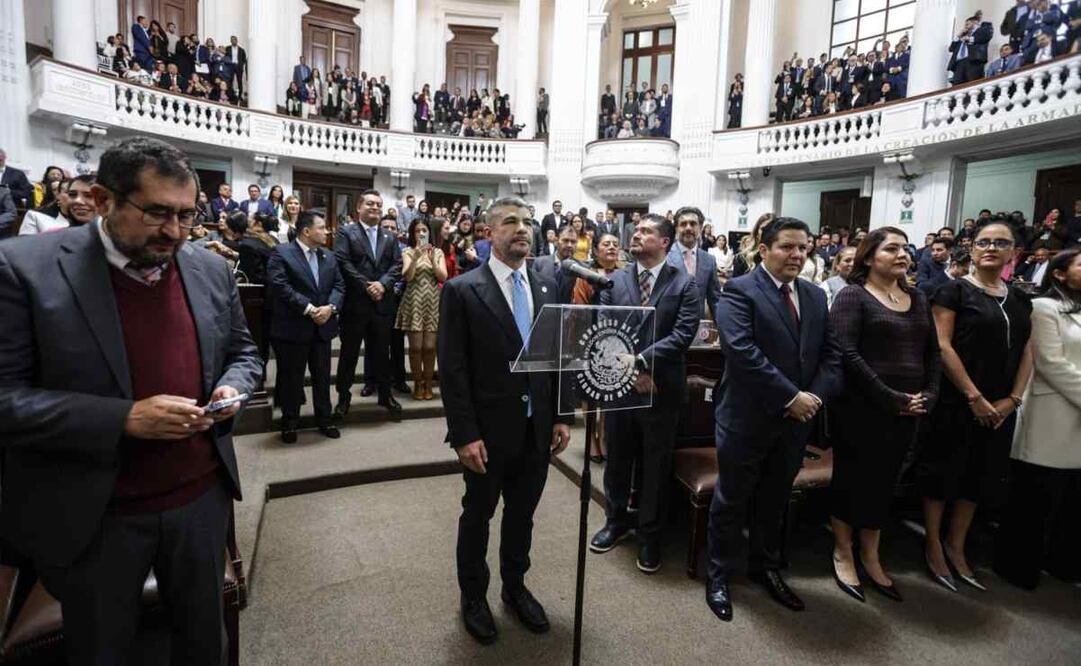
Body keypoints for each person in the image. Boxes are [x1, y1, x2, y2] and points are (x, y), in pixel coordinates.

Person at [0, 136, 261, 664]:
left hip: (200, 504)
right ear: (102, 200)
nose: (175, 231)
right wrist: (124, 419)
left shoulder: (209, 269)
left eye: (187, 215)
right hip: (97, 516)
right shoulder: (23, 268)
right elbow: (6, 399)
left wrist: (234, 385)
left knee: (205, 645)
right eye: (157, 213)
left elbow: (244, 352)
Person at [437, 196, 572, 645]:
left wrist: (561, 415)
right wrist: (465, 434)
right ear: (488, 232)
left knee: (522, 517)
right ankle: (473, 598)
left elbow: (558, 357)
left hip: (536, 429)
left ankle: (515, 589)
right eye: (511, 222)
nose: (522, 229)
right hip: (487, 434)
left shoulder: (548, 285)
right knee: (478, 517)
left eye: (528, 222)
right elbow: (453, 369)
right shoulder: (462, 289)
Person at [705, 217, 843, 622]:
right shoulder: (740, 291)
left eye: (804, 247)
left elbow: (832, 356)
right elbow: (741, 351)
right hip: (747, 418)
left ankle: (764, 567)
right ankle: (718, 575)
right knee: (731, 500)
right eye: (787, 246)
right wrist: (790, 396)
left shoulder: (816, 296)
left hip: (796, 422)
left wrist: (812, 397)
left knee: (774, 500)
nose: (797, 255)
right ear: (763, 250)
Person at [917, 218, 1034, 592]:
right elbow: (943, 346)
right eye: (984, 241)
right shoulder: (952, 291)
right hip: (959, 399)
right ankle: (934, 543)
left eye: (1001, 243)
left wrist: (1012, 399)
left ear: (1013, 252)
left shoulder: (1019, 299)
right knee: (944, 473)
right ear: (972, 248)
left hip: (1001, 405)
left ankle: (957, 544)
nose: (991, 248)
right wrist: (975, 396)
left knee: (980, 476)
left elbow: (1028, 350)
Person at [828, 228, 941, 603]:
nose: (902, 254)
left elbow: (932, 354)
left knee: (885, 482)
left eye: (905, 248)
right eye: (891, 248)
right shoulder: (852, 296)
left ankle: (871, 554)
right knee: (852, 478)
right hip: (862, 407)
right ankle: (844, 551)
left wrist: (929, 394)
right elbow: (847, 353)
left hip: (908, 408)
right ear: (868, 256)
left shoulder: (917, 297)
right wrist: (890, 396)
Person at [588, 213, 698, 574]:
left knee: (655, 467)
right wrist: (631, 368)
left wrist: (643, 363)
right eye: (636, 231)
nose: (636, 235)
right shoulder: (615, 280)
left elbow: (682, 336)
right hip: (621, 387)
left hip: (661, 389)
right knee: (618, 459)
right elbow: (605, 325)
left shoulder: (684, 284)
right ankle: (615, 521)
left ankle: (651, 535)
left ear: (665, 242)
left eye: (646, 231)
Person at [994, 249, 1081, 589]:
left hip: (1075, 415)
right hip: (1052, 412)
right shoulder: (1044, 308)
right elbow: (1051, 364)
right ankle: (1017, 567)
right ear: (1059, 273)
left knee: (1071, 501)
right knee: (1036, 498)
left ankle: (1063, 563)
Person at [266, 211, 344, 443]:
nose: (326, 231)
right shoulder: (281, 253)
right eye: (321, 227)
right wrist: (309, 309)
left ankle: (325, 418)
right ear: (307, 231)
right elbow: (280, 285)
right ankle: (290, 422)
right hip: (293, 327)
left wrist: (331, 307)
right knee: (292, 377)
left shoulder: (329, 256)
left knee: (322, 377)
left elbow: (339, 285)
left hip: (323, 327)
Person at [334, 189, 403, 414]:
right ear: (359, 207)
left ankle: (385, 395)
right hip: (355, 305)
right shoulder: (346, 232)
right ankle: (343, 399)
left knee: (382, 354)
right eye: (370, 204)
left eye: (378, 205)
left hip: (382, 305)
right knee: (349, 355)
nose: (375, 208)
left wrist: (382, 285)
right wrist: (367, 286)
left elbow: (397, 265)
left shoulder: (390, 236)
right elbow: (343, 262)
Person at [396, 219, 447, 400]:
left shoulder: (438, 251)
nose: (421, 233)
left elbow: (443, 277)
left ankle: (428, 383)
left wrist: (433, 261)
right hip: (414, 302)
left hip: (433, 301)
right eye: (417, 230)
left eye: (424, 230)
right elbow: (407, 276)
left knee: (430, 346)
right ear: (413, 233)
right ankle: (417, 383)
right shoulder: (407, 251)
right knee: (416, 347)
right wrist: (416, 257)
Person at [666, 206, 722, 319]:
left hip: (698, 327)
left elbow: (715, 300)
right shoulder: (664, 256)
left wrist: (724, 331)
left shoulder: (709, 260)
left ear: (700, 227)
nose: (688, 228)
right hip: (667, 328)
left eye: (693, 224)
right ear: (676, 228)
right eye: (683, 224)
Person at [20, 175, 97, 235]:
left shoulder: (105, 233)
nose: (77, 200)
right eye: (72, 194)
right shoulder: (55, 235)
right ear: (58, 195)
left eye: (89, 195)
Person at [949, 15, 994, 86]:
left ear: (975, 22)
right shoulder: (963, 35)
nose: (965, 26)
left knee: (972, 83)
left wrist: (969, 39)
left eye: (967, 24)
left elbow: (986, 37)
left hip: (973, 62)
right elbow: (951, 48)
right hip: (959, 64)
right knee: (957, 86)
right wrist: (958, 36)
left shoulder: (983, 29)